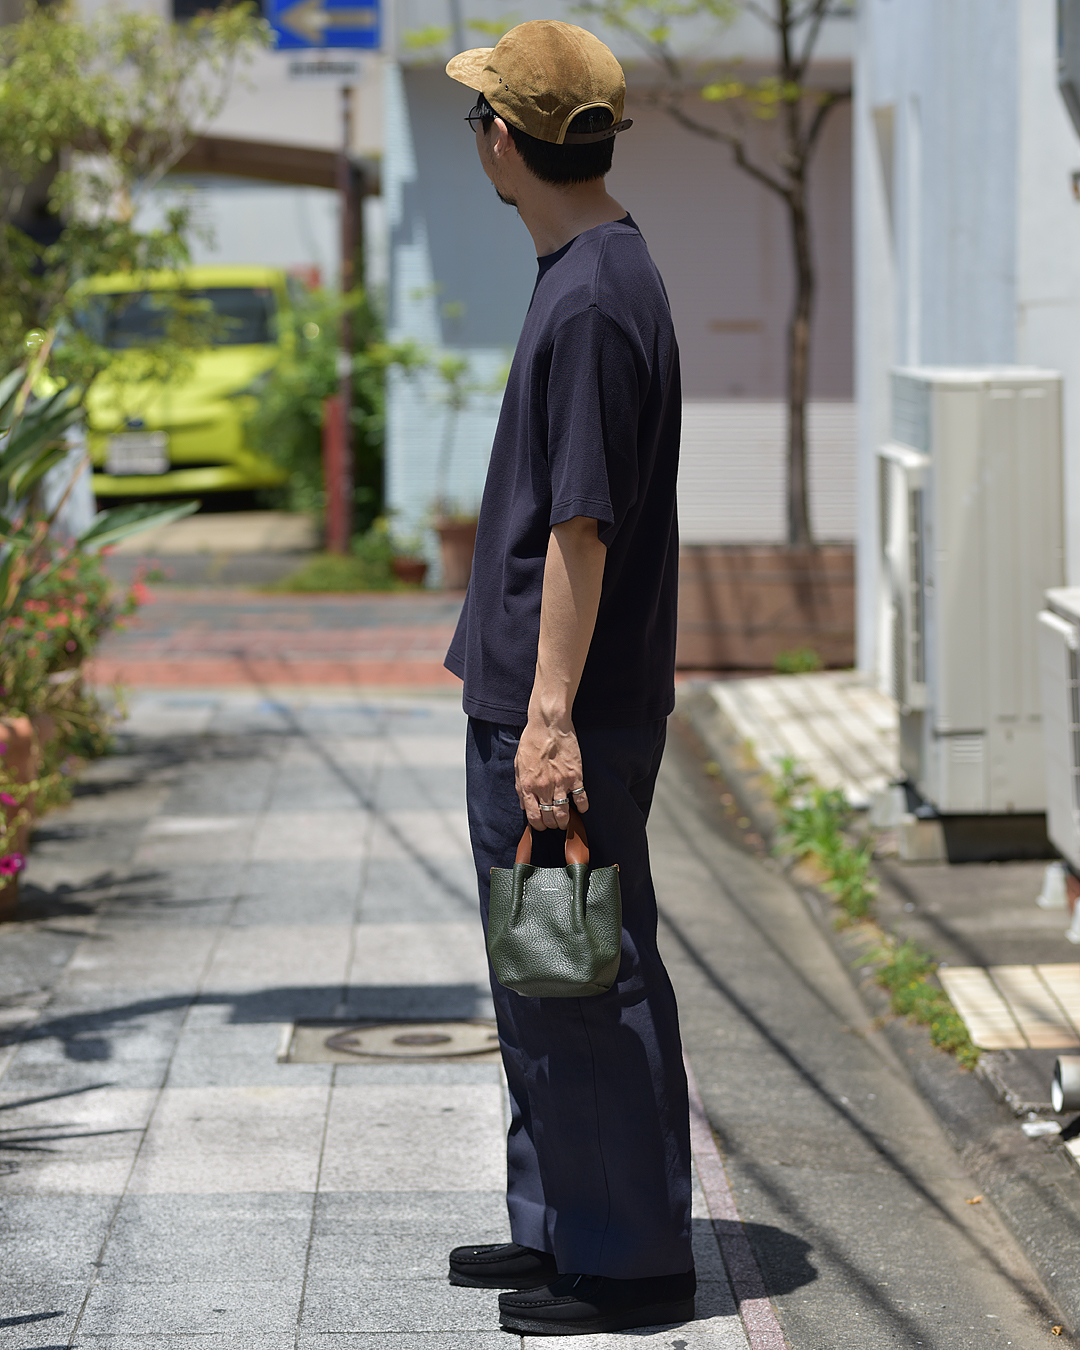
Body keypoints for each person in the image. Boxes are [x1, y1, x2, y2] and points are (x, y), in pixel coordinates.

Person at [442, 19, 694, 1336]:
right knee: (547, 966)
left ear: (510, 139)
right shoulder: (588, 268)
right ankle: (560, 1223)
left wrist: (546, 721)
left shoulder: (594, 294)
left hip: (568, 709)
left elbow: (580, 528)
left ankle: (632, 1257)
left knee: (588, 973)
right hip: (553, 699)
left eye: (479, 114)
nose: (474, 132)